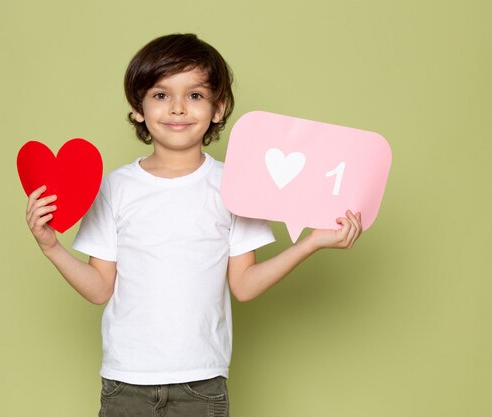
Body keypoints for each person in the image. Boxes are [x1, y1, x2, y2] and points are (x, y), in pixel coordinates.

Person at [25, 33, 362, 417]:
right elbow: (100, 287)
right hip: (125, 383)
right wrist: (51, 247)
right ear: (138, 108)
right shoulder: (114, 187)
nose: (178, 108)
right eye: (161, 95)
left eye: (196, 95)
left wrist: (310, 243)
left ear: (218, 109)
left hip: (201, 384)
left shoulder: (236, 187)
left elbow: (245, 285)